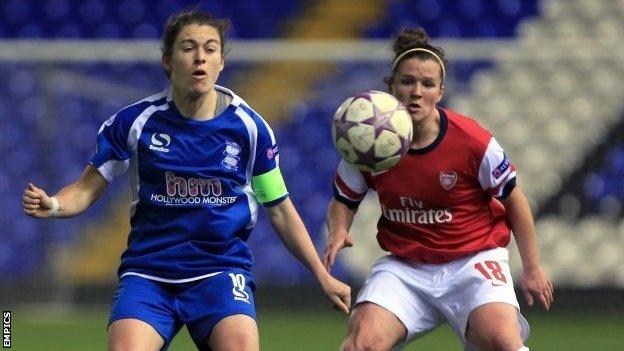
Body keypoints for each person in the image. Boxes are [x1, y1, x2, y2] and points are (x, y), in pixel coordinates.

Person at [21, 9, 350, 351]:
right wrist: (55, 204)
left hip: (220, 272)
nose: (200, 58)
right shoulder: (135, 123)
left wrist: (321, 275)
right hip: (149, 273)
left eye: (210, 49)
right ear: (167, 59)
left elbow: (279, 208)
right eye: (188, 47)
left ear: (221, 61)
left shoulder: (249, 129)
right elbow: (86, 188)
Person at [324, 27, 553, 351]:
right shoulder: (368, 142)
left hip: (472, 261)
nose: (417, 91)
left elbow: (515, 201)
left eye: (427, 84)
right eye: (407, 81)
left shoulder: (472, 141)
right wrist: (338, 229)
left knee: (503, 342)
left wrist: (532, 268)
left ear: (440, 91)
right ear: (391, 86)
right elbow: (343, 200)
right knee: (360, 345)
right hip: (406, 266)